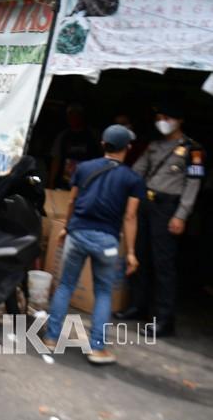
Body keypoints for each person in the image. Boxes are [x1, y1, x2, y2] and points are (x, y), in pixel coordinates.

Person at [43, 125, 143, 364]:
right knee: (103, 292)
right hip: (107, 241)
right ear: (127, 148)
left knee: (66, 285)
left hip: (77, 234)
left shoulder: (84, 168)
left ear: (102, 144)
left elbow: (72, 201)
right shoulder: (133, 179)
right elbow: (130, 217)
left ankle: (51, 338)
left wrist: (67, 227)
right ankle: (97, 348)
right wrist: (130, 252)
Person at [116, 104, 206, 337]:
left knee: (163, 264)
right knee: (140, 256)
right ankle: (137, 306)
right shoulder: (154, 146)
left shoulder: (193, 150)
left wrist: (181, 214)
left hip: (168, 208)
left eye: (166, 117)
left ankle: (164, 319)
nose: (162, 121)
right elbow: (137, 171)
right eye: (159, 117)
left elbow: (193, 184)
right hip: (146, 203)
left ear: (179, 120)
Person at [48, 103, 102, 189]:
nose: (73, 118)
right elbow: (56, 159)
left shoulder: (93, 135)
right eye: (70, 115)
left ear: (81, 116)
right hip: (65, 180)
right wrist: (51, 181)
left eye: (76, 115)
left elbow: (101, 157)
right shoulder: (63, 136)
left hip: (87, 180)